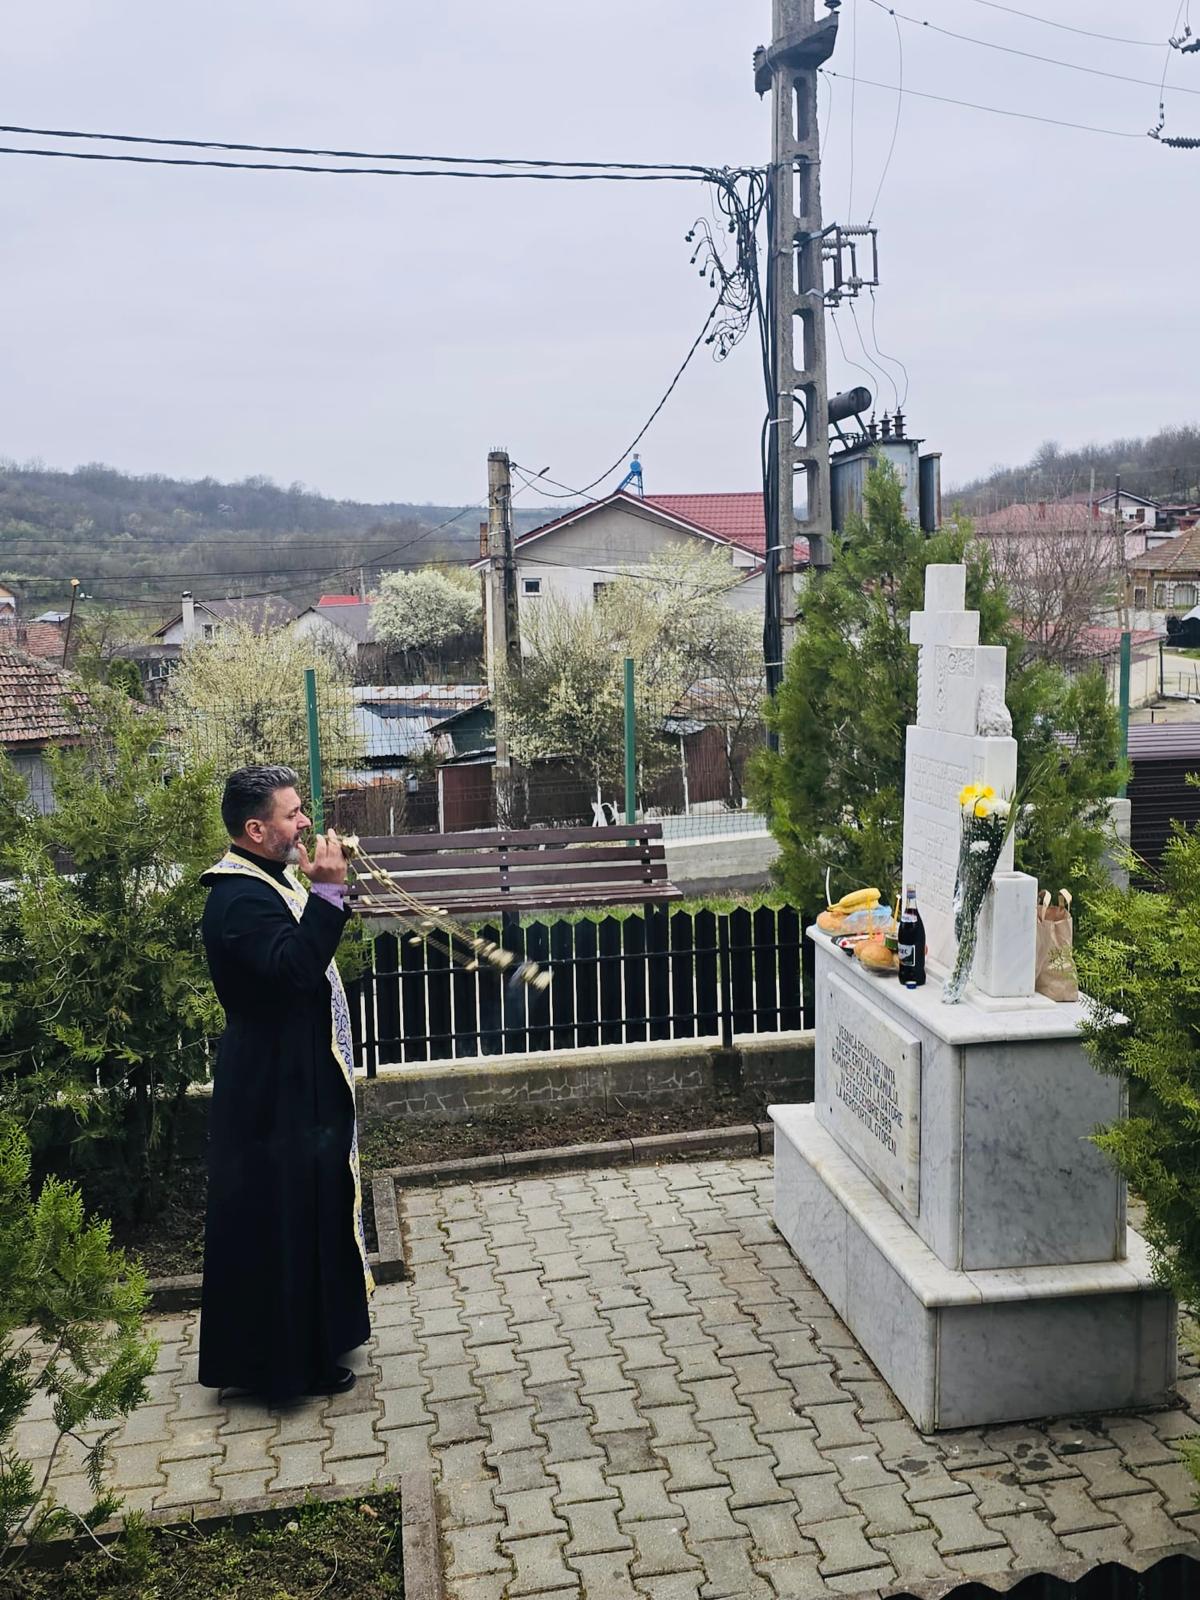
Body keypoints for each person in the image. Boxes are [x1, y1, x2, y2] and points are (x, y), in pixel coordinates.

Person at [197, 764, 373, 1402]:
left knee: (310, 1203)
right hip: (271, 1088)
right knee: (285, 1215)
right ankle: (288, 1366)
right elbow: (296, 969)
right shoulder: (237, 898)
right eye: (292, 813)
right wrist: (327, 892)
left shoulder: (270, 878)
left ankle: (318, 1339)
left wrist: (327, 890)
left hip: (295, 1072)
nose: (304, 822)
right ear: (255, 829)